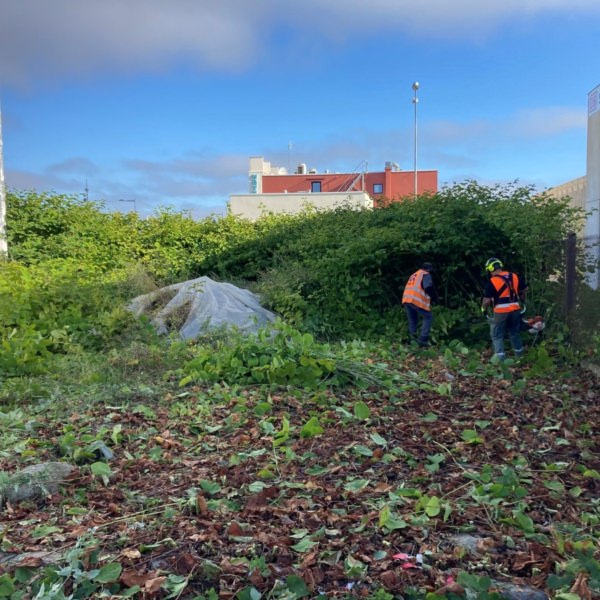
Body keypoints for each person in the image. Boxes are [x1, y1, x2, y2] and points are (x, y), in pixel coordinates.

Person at [481, 257, 528, 361]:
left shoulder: (492, 281)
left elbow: (487, 301)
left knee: (497, 334)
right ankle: (521, 358)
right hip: (515, 308)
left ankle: (500, 360)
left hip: (501, 311)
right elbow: (525, 289)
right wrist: (522, 299)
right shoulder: (514, 276)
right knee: (514, 333)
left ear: (490, 269)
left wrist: (483, 309)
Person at [402, 263, 438, 347]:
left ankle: (412, 340)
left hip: (407, 299)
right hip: (415, 299)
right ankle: (423, 339)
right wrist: (434, 297)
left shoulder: (415, 274)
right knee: (428, 316)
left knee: (413, 320)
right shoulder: (426, 274)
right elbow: (428, 287)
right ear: (429, 269)